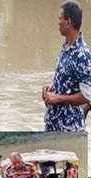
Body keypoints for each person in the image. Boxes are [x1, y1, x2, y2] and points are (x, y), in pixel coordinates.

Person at [43, 1, 91, 131]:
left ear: (68, 22)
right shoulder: (65, 46)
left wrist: (58, 98)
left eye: (60, 19)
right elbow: (69, 81)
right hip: (53, 125)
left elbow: (87, 95)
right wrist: (53, 87)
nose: (58, 22)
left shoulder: (82, 55)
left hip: (69, 128)